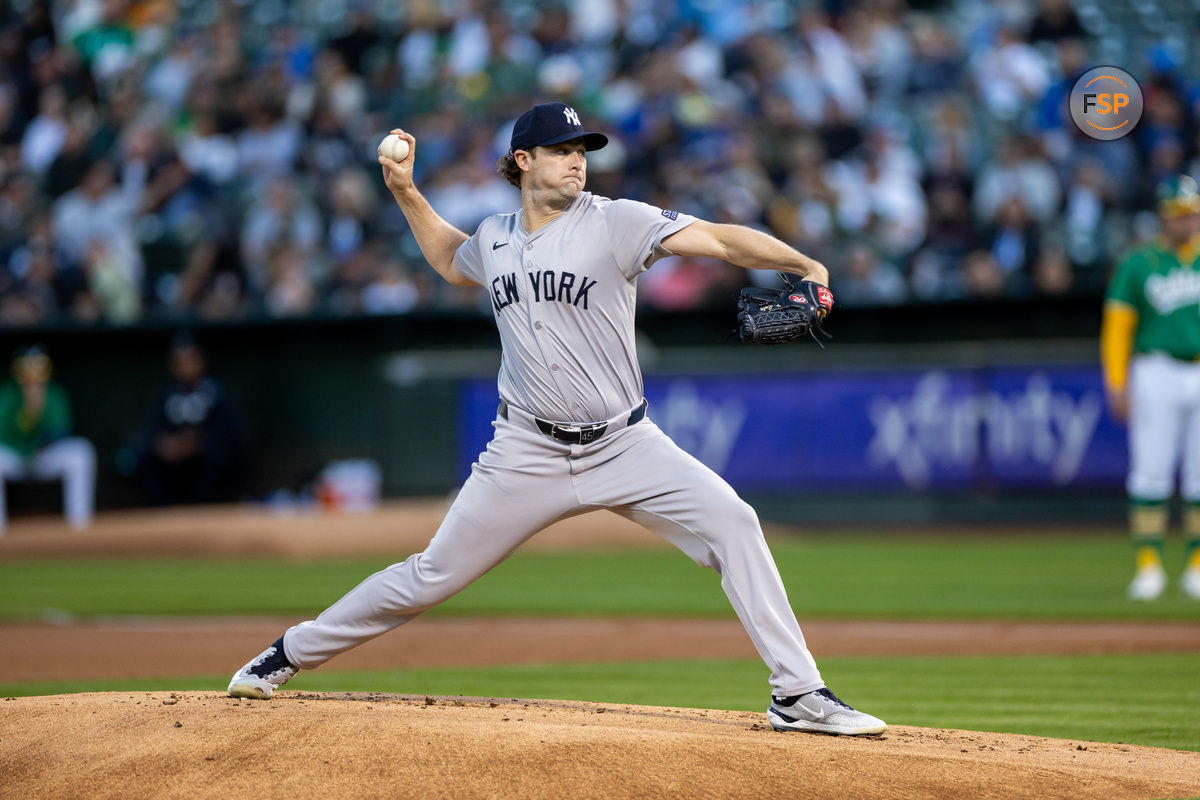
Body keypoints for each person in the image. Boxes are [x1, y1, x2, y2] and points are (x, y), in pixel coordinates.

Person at [227, 103, 887, 736]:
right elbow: (448, 257)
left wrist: (801, 263)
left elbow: (716, 238)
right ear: (523, 160)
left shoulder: (615, 222)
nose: (578, 163)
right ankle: (287, 653)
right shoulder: (494, 239)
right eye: (562, 151)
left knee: (733, 521)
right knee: (430, 575)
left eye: (583, 152)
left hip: (625, 443)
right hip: (525, 451)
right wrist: (404, 189)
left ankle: (797, 693)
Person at [1101, 175, 1200, 601]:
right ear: (1163, 216)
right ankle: (1149, 566)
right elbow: (1118, 327)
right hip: (1155, 369)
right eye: (1180, 213)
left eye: (1193, 212)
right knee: (1150, 471)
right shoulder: (1139, 263)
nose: (1188, 220)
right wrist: (1117, 381)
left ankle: (1196, 566)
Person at [137, 331, 244, 506]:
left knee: (214, 456)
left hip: (204, 456)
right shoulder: (168, 391)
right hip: (175, 458)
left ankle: (205, 510)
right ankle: (162, 513)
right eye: (180, 361)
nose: (186, 366)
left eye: (190, 360)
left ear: (200, 360)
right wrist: (168, 444)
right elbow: (156, 430)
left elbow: (229, 432)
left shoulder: (215, 390)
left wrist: (196, 442)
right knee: (146, 455)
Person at [0, 343, 95, 532]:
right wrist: (29, 412)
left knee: (80, 452)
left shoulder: (54, 394)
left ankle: (79, 527)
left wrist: (40, 415)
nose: (32, 373)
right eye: (27, 367)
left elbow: (60, 431)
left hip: (43, 458)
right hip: (16, 458)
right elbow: (6, 434)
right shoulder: (7, 394)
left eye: (37, 366)